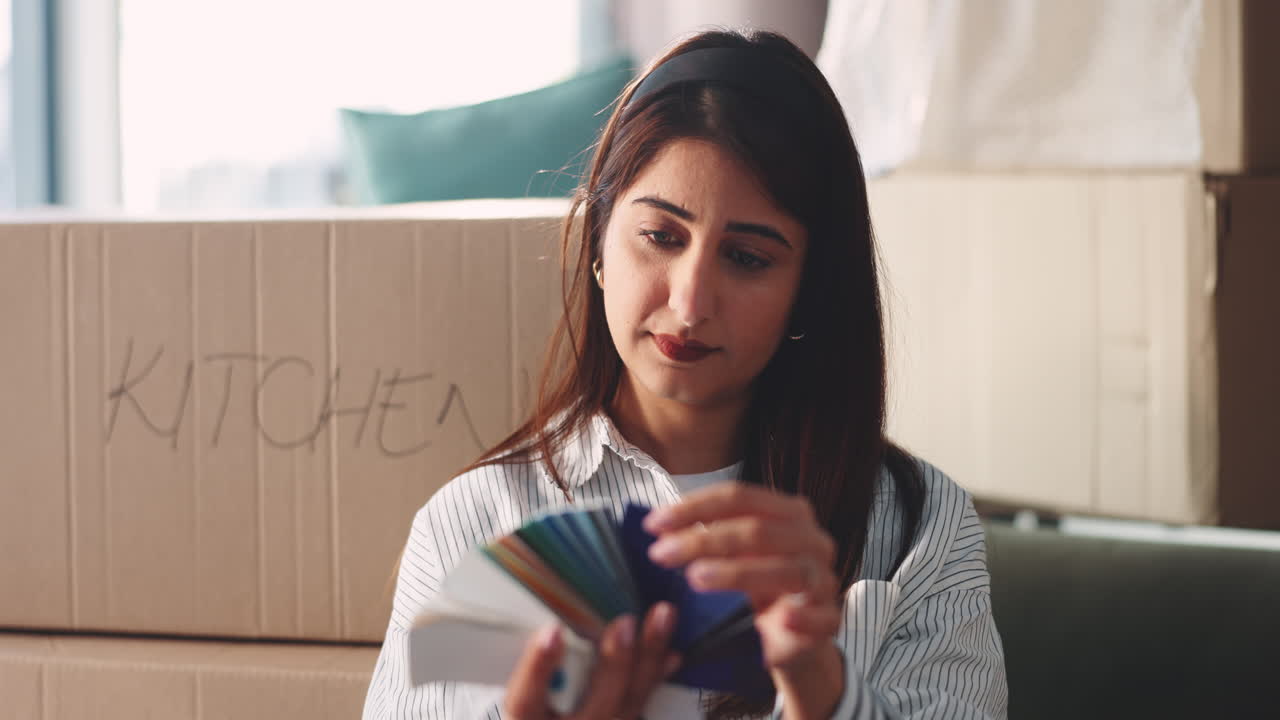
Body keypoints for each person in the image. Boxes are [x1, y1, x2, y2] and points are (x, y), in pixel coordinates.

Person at [362, 28, 1008, 720]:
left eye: (748, 258)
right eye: (661, 237)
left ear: (809, 291)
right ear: (599, 244)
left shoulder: (920, 528)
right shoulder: (472, 523)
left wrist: (822, 689)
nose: (691, 302)